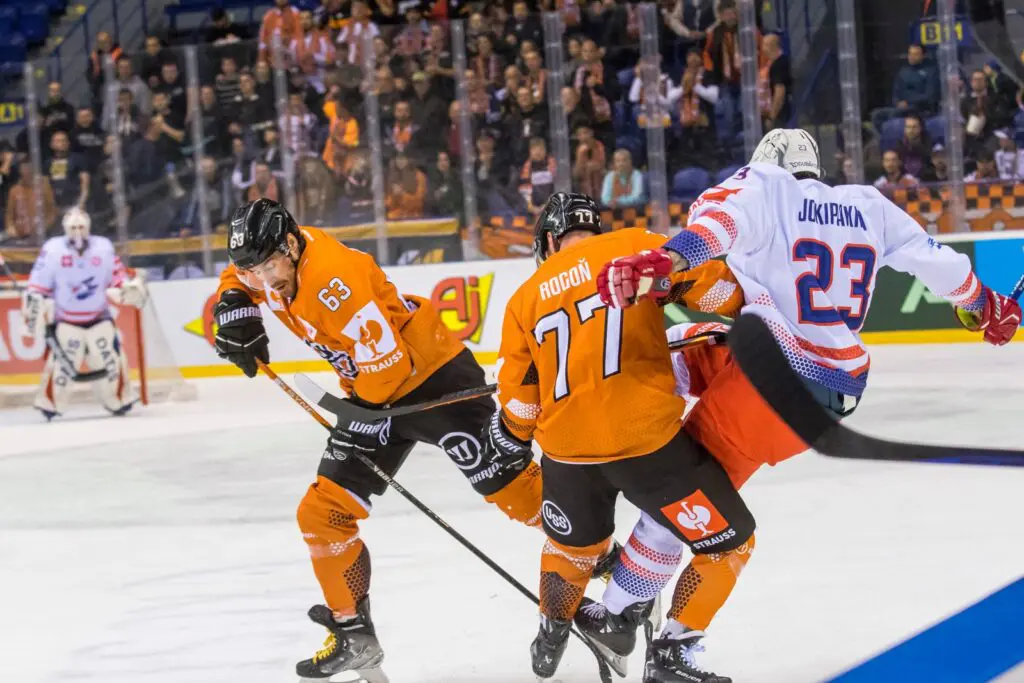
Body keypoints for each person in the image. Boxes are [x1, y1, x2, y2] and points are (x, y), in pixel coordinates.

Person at [213, 199, 546, 681]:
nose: (265, 281)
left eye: (269, 268)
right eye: (255, 272)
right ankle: (353, 633)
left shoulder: (333, 282)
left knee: (514, 493)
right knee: (322, 514)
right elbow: (239, 274)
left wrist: (363, 418)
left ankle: (599, 558)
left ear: (290, 246)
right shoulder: (273, 259)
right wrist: (233, 303)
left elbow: (390, 366)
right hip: (371, 391)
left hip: (433, 381)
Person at [482, 192, 755, 682]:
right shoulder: (633, 248)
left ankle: (551, 633)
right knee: (727, 544)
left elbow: (522, 406)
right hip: (647, 445)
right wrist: (749, 309)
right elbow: (716, 293)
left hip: (567, 455)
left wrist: (508, 433)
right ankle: (670, 651)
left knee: (572, 549)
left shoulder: (524, 299)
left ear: (549, 240)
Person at [597, 127, 1020, 430]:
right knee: (697, 333)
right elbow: (937, 262)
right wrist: (983, 303)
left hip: (779, 374)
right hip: (841, 389)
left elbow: (718, 225)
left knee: (666, 365)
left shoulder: (766, 189)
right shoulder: (868, 205)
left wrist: (669, 258)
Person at [21, 207, 147, 419]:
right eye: (73, 228)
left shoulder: (103, 248)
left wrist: (128, 288)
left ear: (88, 227)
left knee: (110, 361)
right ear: (65, 228)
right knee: (62, 367)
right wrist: (34, 304)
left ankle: (118, 400)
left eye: (81, 227)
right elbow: (38, 284)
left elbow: (117, 276)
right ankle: (50, 403)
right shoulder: (53, 250)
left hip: (99, 318)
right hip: (66, 321)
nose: (77, 232)